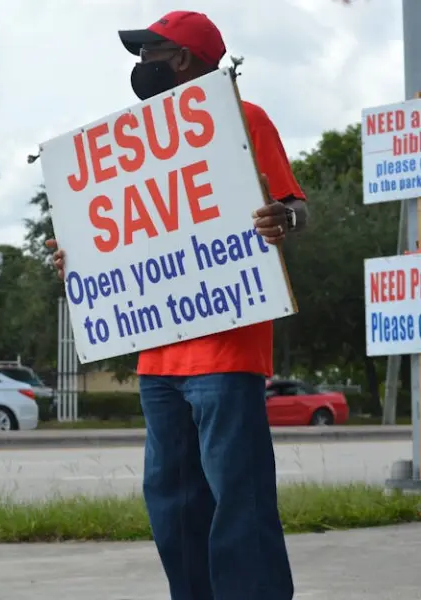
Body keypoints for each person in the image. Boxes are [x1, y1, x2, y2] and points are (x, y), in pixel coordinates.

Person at [46, 11, 309, 600]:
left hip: (227, 349)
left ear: (183, 59)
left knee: (238, 498)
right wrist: (80, 260)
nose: (141, 66)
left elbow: (297, 205)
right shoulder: (131, 143)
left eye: (149, 53)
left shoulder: (244, 118)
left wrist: (284, 219)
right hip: (158, 357)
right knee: (172, 503)